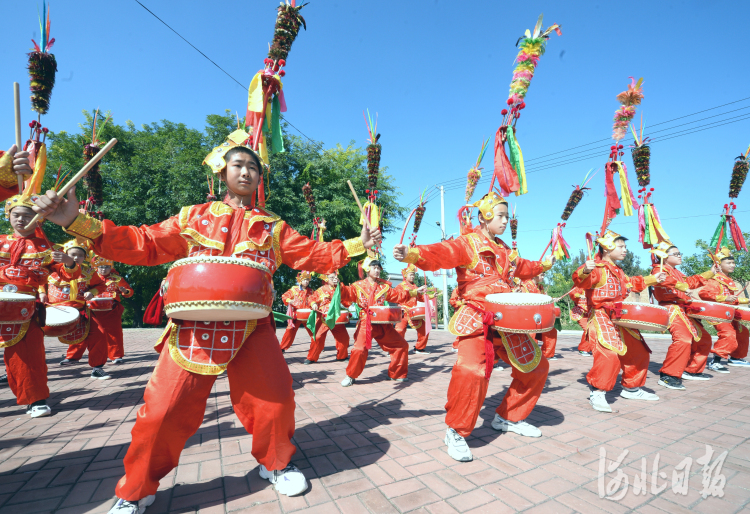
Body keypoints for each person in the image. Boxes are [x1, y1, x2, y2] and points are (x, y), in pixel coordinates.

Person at [32, 128, 377, 513]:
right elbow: (144, 243)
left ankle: (277, 464)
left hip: (253, 327)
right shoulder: (191, 216)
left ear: (260, 179)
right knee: (162, 411)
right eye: (238, 165)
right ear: (222, 173)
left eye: (253, 168)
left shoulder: (274, 227)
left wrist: (360, 243)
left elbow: (313, 255)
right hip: (192, 327)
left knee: (276, 403)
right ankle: (135, 490)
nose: (245, 172)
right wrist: (77, 221)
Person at [393, 192, 552, 463]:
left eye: (506, 216)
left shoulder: (504, 250)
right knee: (471, 370)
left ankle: (508, 417)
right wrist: (414, 254)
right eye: (500, 216)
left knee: (537, 368)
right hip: (477, 317)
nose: (504, 221)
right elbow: (443, 253)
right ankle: (456, 430)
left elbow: (523, 267)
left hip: (508, 320)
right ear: (483, 217)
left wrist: (542, 266)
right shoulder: (467, 244)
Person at [0, 195, 80, 417]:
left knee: (28, 355)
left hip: (26, 309)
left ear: (38, 220)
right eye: (16, 215)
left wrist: (67, 261)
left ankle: (35, 399)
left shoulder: (47, 247)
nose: (21, 220)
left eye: (28, 216)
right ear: (9, 216)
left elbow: (69, 275)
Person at [572, 230, 667, 413]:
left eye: (625, 246)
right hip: (601, 315)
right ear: (607, 248)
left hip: (619, 316)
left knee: (639, 351)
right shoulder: (598, 269)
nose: (625, 250)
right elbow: (581, 281)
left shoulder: (617, 271)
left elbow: (631, 283)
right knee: (609, 353)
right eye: (621, 246)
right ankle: (598, 391)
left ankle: (632, 388)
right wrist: (585, 270)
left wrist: (652, 279)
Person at [338, 257, 424, 386]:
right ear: (367, 269)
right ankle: (351, 375)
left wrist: (414, 291)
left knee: (401, 345)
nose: (377, 270)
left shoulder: (384, 287)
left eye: (378, 268)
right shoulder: (358, 286)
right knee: (359, 349)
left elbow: (397, 295)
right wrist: (337, 285)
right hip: (366, 323)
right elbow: (346, 293)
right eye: (374, 267)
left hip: (383, 323)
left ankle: (397, 373)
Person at [651, 242, 714, 390]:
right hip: (671, 308)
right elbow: (668, 281)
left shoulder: (677, 272)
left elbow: (689, 282)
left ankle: (692, 369)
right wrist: (682, 286)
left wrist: (710, 272)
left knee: (705, 339)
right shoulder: (658, 270)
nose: (680, 256)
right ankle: (668, 375)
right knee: (683, 339)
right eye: (676, 254)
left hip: (685, 309)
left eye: (680, 254)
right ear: (664, 257)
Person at [51, 241, 109, 379]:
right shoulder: (53, 268)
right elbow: (39, 279)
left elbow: (101, 285)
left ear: (85, 257)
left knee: (99, 333)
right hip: (52, 309)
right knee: (29, 338)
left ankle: (97, 367)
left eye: (80, 255)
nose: (76, 258)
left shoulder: (89, 272)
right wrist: (41, 292)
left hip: (80, 309)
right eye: (72, 255)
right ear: (65, 255)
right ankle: (13, 372)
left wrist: (92, 292)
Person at [699, 247, 750, 372]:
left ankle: (736, 357)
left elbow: (730, 299)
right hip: (718, 314)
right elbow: (704, 294)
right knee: (728, 334)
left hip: (728, 313)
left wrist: (743, 300)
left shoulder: (727, 280)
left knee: (742, 332)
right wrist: (725, 297)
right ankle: (715, 362)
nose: (733, 265)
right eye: (729, 263)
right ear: (719, 265)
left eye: (733, 262)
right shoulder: (714, 280)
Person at [92, 255, 134, 364]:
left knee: (114, 333)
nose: (104, 269)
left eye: (106, 267)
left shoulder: (117, 279)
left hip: (111, 310)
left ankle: (116, 356)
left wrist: (125, 291)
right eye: (101, 267)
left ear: (111, 267)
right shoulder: (91, 277)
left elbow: (129, 291)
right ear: (96, 267)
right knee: (93, 333)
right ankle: (76, 356)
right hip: (93, 309)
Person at [307, 271, 350, 363]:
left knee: (344, 337)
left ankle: (342, 356)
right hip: (324, 318)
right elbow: (311, 298)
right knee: (317, 337)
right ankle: (312, 358)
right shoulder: (321, 290)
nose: (334, 279)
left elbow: (346, 301)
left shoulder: (340, 289)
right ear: (326, 279)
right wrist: (313, 304)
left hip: (336, 318)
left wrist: (340, 286)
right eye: (331, 278)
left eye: (335, 278)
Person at [394, 263, 431, 354]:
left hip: (413, 313)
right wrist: (416, 291)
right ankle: (395, 349)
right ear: (406, 276)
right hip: (403, 312)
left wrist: (431, 296)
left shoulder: (415, 287)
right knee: (399, 330)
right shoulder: (400, 286)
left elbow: (421, 298)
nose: (413, 276)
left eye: (413, 275)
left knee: (424, 329)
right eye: (411, 275)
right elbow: (398, 296)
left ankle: (419, 348)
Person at [520, 275, 558, 360]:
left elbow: (544, 298)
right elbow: (524, 300)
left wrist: (552, 299)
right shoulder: (525, 285)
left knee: (551, 331)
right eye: (542, 275)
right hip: (528, 315)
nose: (543, 277)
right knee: (531, 333)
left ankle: (547, 354)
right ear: (535, 275)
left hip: (540, 314)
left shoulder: (540, 286)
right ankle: (530, 355)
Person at [279, 271, 315, 354]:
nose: (306, 281)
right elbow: (285, 296)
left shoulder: (311, 291)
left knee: (313, 331)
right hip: (296, 315)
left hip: (307, 316)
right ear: (300, 280)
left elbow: (314, 299)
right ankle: (282, 347)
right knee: (290, 329)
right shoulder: (294, 289)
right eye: (304, 280)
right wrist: (289, 300)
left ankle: (317, 345)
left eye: (308, 280)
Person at [569, 286, 592, 356]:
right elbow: (573, 293)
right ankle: (583, 349)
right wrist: (580, 295)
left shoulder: (592, 285)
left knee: (593, 330)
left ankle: (588, 348)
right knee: (587, 329)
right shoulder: (580, 285)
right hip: (580, 312)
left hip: (590, 312)